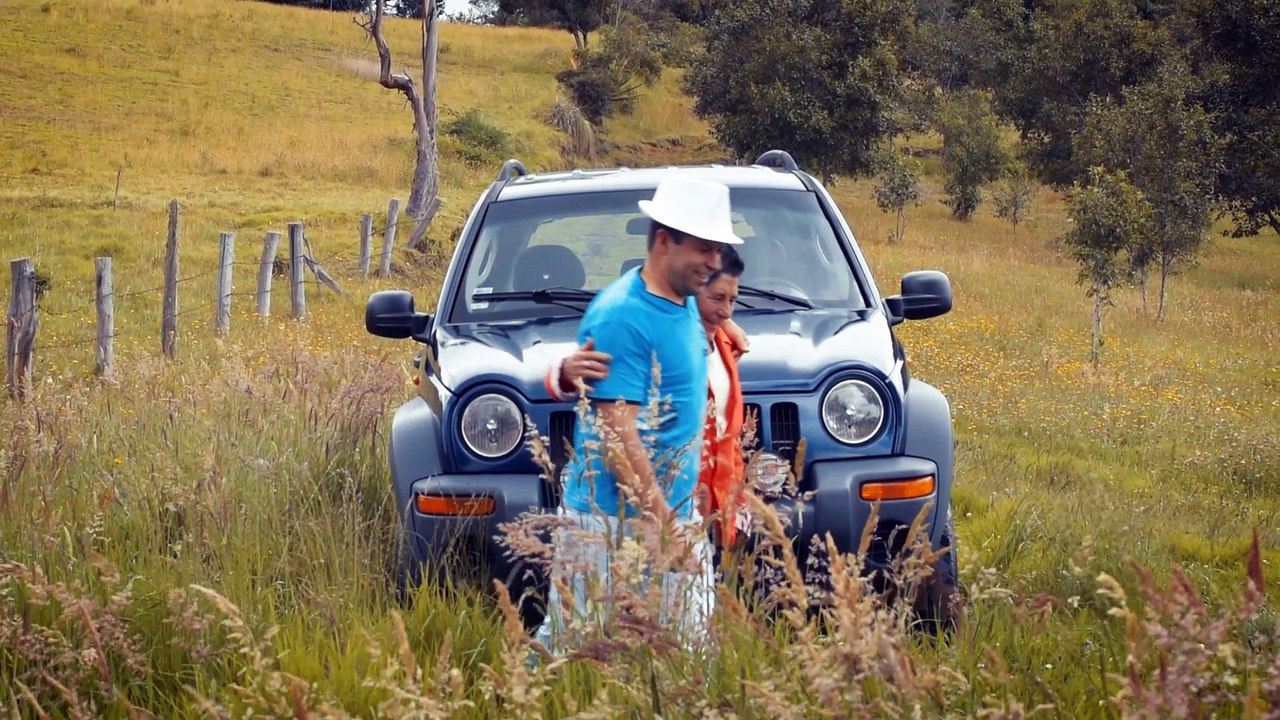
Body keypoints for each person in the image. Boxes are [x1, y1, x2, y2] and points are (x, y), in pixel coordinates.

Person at [533, 177, 745, 655]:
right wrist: (662, 525)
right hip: (610, 522)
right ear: (665, 240)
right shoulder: (622, 316)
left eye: (719, 250)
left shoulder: (686, 299)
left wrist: (727, 323)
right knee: (578, 648)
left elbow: (691, 331)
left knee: (686, 652)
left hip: (674, 513)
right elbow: (617, 440)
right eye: (706, 248)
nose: (715, 262)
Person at [547, 246, 752, 551]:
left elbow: (725, 431)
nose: (726, 310)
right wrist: (562, 372)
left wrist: (736, 504)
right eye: (717, 298)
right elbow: (611, 410)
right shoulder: (637, 321)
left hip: (707, 508)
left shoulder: (722, 341)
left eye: (732, 300)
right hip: (645, 511)